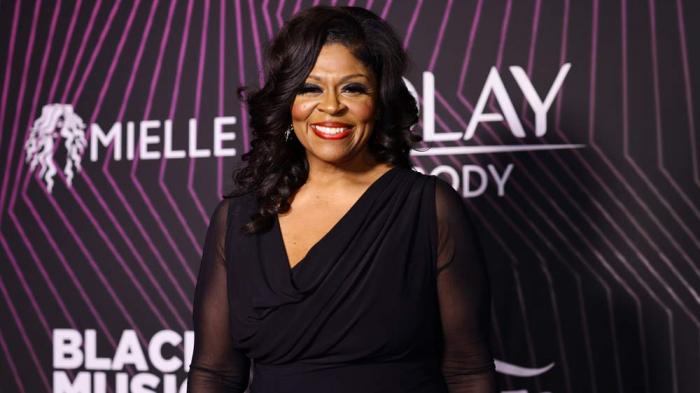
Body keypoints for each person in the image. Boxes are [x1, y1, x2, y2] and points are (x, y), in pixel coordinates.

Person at [186, 5, 497, 393]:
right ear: (288, 102)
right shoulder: (240, 217)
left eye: (353, 87)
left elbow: (468, 371)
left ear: (379, 100)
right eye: (310, 87)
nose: (331, 106)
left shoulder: (428, 208)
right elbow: (214, 374)